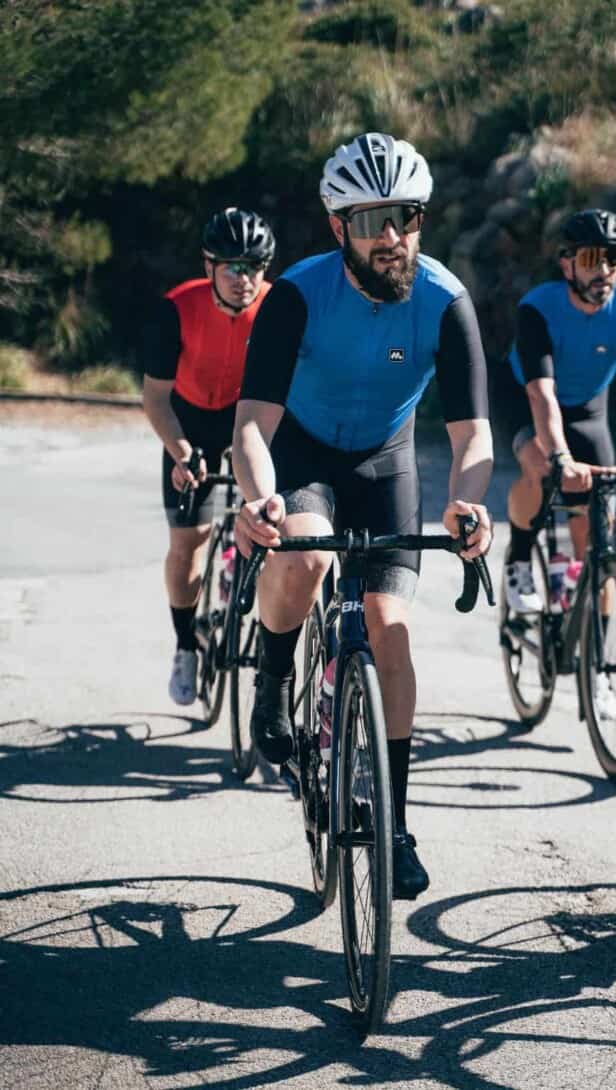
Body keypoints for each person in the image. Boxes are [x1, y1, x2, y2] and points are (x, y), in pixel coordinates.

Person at [231, 132, 493, 900]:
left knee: (391, 624)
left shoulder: (446, 301)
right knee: (305, 551)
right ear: (338, 223)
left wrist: (468, 500)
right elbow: (250, 423)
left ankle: (396, 822)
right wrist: (258, 497)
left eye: (406, 216)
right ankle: (274, 682)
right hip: (304, 454)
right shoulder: (298, 295)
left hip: (386, 457)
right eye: (373, 218)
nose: (392, 236)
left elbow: (473, 434)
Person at [503, 208, 616, 718]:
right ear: (568, 263)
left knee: (598, 547)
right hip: (528, 398)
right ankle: (518, 558)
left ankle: (599, 664)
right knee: (542, 467)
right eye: (594, 259)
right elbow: (542, 397)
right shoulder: (539, 307)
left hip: (591, 409)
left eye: (615, 258)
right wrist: (559, 457)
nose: (606, 271)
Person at [141, 207, 275, 705]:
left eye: (256, 267)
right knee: (189, 539)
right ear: (208, 267)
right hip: (189, 419)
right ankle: (185, 644)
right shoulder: (176, 309)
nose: (245, 279)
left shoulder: (278, 308)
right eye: (233, 267)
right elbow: (155, 400)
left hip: (247, 420)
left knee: (270, 523)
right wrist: (180, 453)